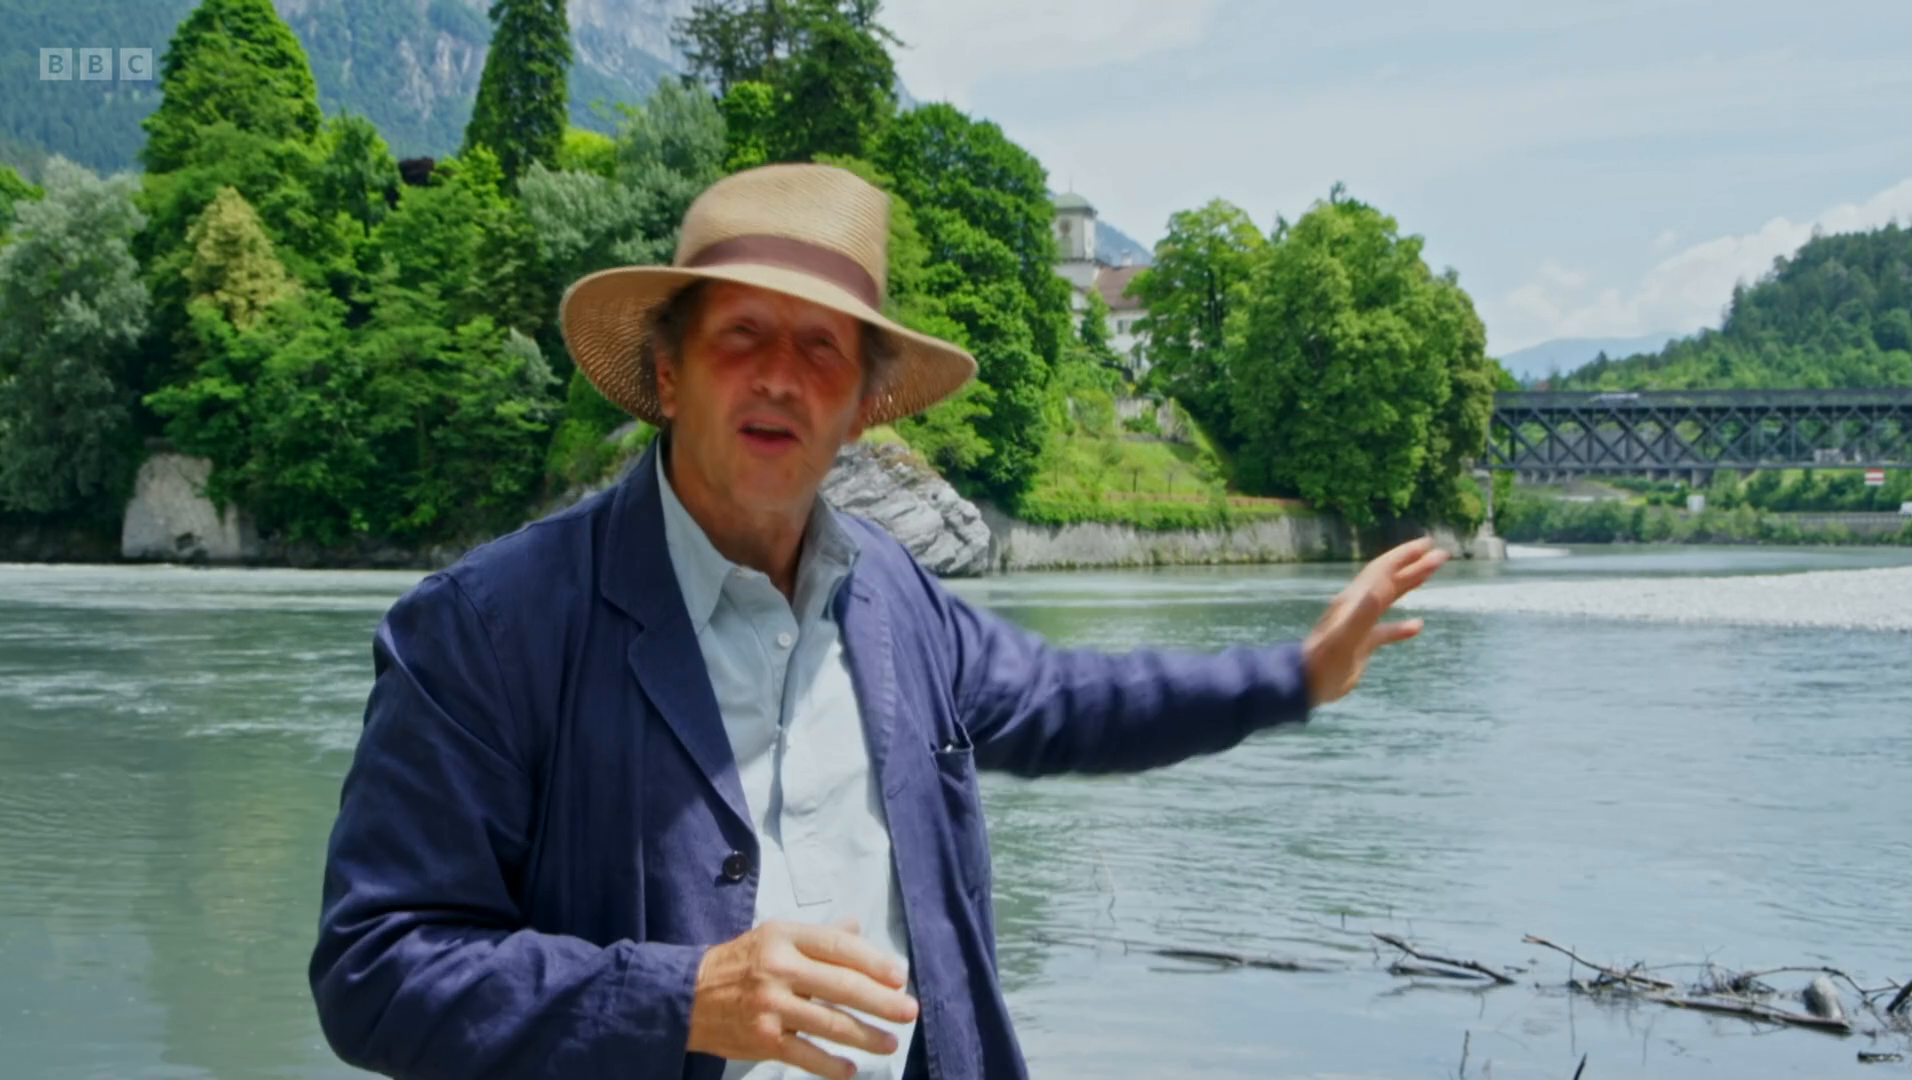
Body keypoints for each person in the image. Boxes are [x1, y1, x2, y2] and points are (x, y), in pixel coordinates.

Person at [308, 163, 1447, 1080]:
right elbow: (376, 968)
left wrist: (1297, 674)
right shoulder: (487, 630)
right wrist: (680, 999)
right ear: (668, 374)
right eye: (741, 334)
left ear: (859, 411)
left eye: (822, 348)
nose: (780, 378)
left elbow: (1074, 704)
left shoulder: (896, 598)